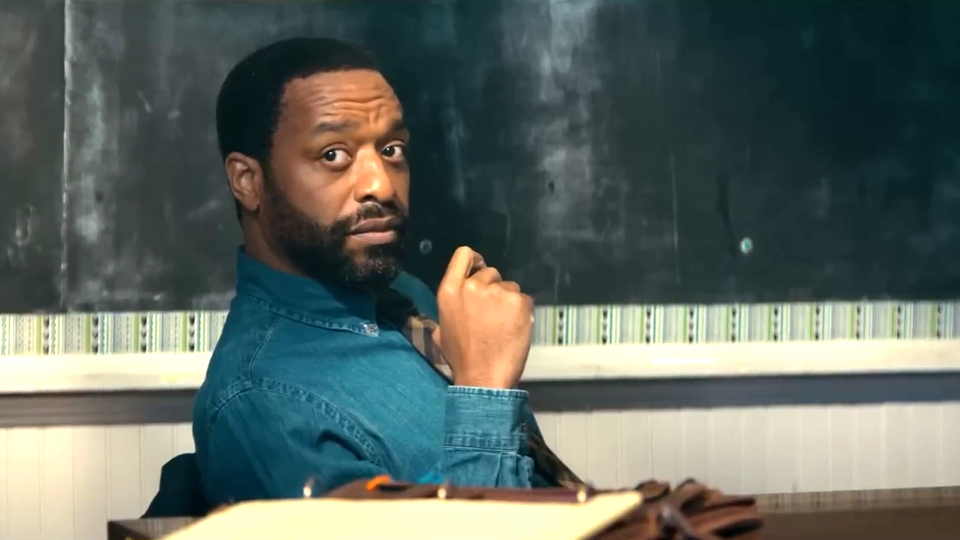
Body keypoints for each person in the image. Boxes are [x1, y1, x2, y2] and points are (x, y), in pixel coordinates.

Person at [192, 36, 574, 506]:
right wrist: (484, 390)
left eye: (391, 149)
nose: (382, 185)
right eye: (333, 155)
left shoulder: (405, 297)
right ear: (248, 182)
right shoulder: (260, 402)